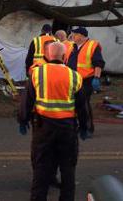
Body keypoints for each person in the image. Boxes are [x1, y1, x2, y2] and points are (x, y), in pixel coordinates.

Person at [18, 42, 83, 201]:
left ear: (47, 56)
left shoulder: (37, 74)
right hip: (67, 128)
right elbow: (82, 105)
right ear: (64, 56)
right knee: (68, 169)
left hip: (43, 127)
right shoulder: (75, 76)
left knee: (41, 168)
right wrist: (86, 125)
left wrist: (22, 119)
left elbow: (27, 100)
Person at [65, 27, 105, 140]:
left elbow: (99, 63)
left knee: (84, 104)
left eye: (75, 34)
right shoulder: (71, 46)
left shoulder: (92, 46)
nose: (72, 36)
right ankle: (77, 126)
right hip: (72, 80)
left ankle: (87, 128)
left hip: (86, 80)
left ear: (82, 36)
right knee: (74, 105)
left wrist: (96, 78)